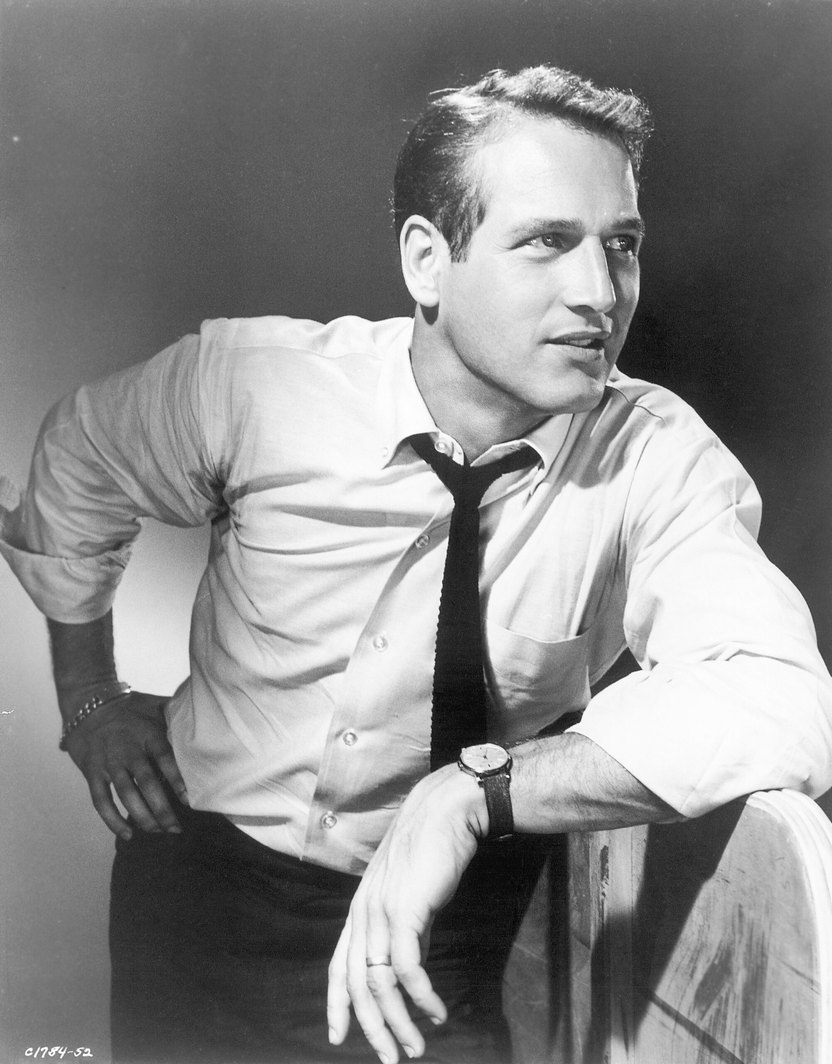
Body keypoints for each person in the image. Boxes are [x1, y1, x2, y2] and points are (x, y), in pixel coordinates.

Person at [2, 64, 832, 1064]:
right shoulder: (255, 384)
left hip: (445, 938)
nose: (600, 293)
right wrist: (89, 696)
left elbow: (781, 695)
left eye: (621, 245)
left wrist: (475, 790)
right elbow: (79, 458)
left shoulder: (653, 454)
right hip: (198, 894)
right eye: (546, 242)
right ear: (428, 261)